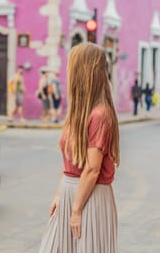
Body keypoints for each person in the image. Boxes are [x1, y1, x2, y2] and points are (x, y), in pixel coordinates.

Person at [39, 42, 120, 252]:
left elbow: (93, 170)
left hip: (88, 197)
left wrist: (76, 209)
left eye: (72, 67)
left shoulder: (99, 115)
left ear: (83, 71)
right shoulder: (80, 113)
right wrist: (59, 195)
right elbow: (70, 160)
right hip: (70, 192)